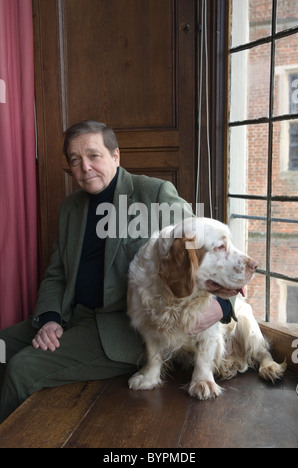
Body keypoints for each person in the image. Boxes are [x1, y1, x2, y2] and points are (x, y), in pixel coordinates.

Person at [0, 120, 236, 423]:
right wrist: (49, 318)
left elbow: (202, 251)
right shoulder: (70, 208)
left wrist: (224, 304)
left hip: (122, 328)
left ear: (115, 156)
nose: (85, 167)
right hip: (71, 316)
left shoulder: (154, 194)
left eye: (94, 155)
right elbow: (56, 273)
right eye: (75, 160)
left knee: (21, 368)